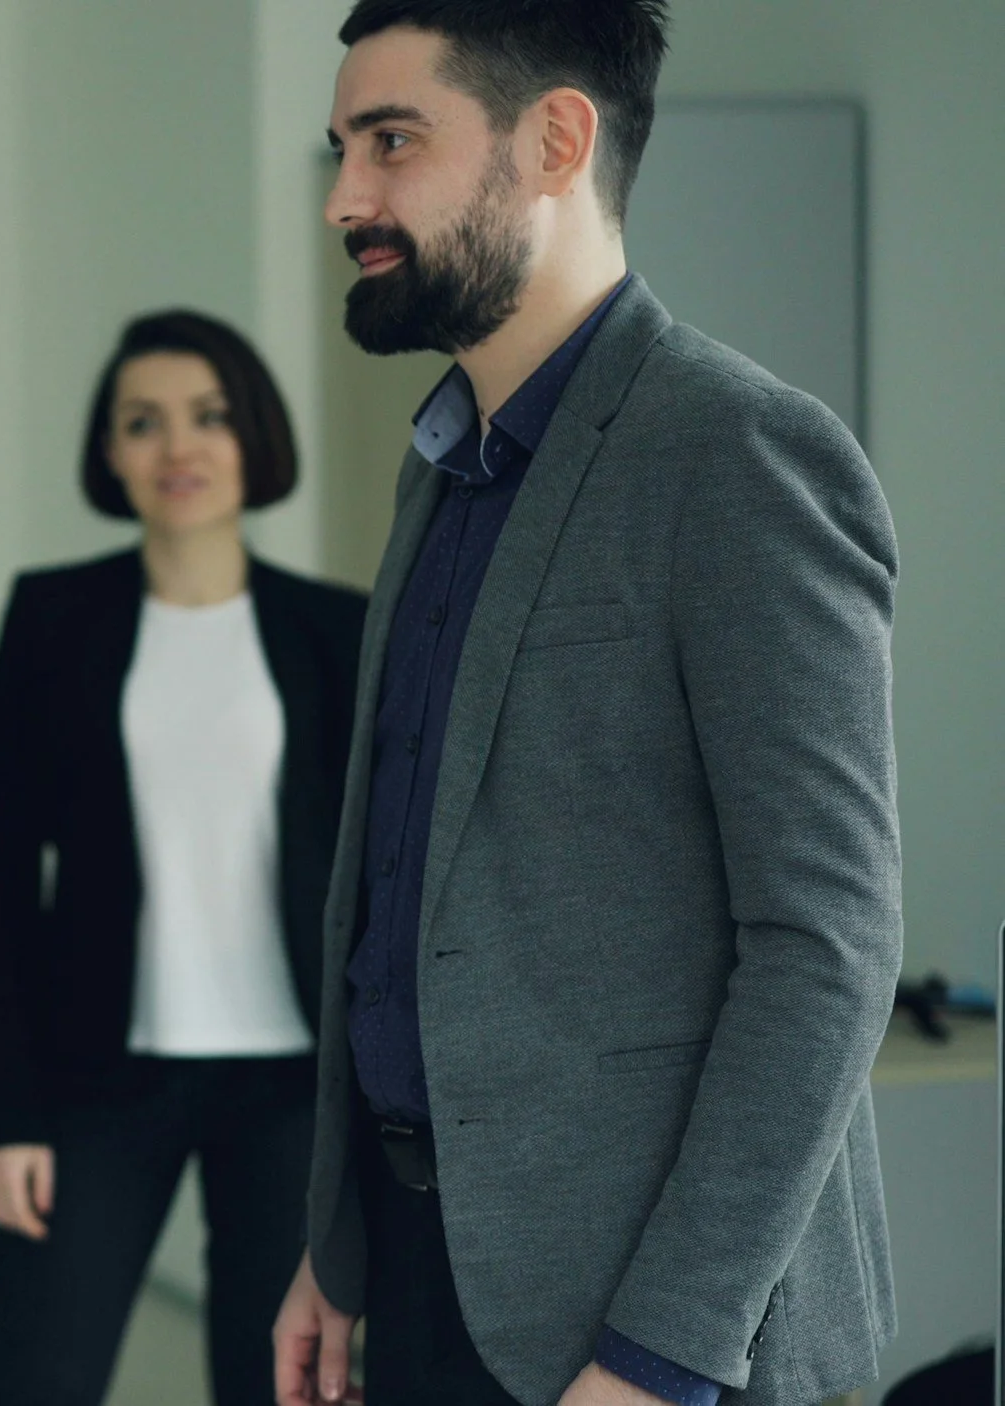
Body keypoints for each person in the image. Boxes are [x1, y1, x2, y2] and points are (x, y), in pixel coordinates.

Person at [272, 4, 901, 1405]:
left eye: (391, 143)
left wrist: (661, 1352)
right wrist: (341, 1241)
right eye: (341, 149)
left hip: (659, 1325)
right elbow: (394, 902)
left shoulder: (739, 454)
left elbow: (826, 948)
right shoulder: (439, 465)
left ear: (555, 140)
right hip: (434, 1267)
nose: (345, 201)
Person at [0, 309, 367, 1405]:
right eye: (142, 422)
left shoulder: (338, 631)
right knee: (35, 1377)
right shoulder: (50, 618)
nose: (177, 447)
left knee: (276, 1382)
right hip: (97, 1076)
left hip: (294, 1082)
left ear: (254, 439)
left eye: (207, 417)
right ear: (108, 453)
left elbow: (384, 884)